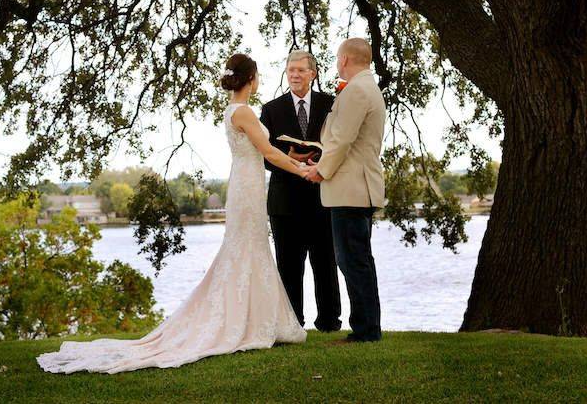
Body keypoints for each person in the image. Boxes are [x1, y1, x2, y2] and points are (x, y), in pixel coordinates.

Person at [37, 53, 310, 374]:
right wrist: (301, 169)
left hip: (246, 184)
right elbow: (267, 152)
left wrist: (291, 158)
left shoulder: (234, 110)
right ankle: (249, 322)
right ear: (251, 79)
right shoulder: (245, 112)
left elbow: (266, 149)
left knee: (251, 250)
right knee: (246, 249)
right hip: (246, 188)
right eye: (258, 75)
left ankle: (258, 319)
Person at [305, 38, 386, 342]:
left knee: (353, 260)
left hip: (351, 187)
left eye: (338, 58)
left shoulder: (356, 90)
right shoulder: (366, 88)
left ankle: (366, 330)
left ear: (345, 60)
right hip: (357, 185)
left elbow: (341, 139)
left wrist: (320, 170)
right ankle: (367, 326)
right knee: (357, 258)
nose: (336, 63)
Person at [260, 50, 341, 332]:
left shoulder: (331, 104)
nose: (294, 75)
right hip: (285, 202)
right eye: (290, 70)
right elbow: (264, 156)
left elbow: (340, 145)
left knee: (326, 264)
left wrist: (320, 159)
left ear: (313, 74)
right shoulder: (271, 109)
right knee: (289, 267)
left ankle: (330, 323)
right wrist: (292, 159)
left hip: (323, 198)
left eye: (300, 70)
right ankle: (292, 324)